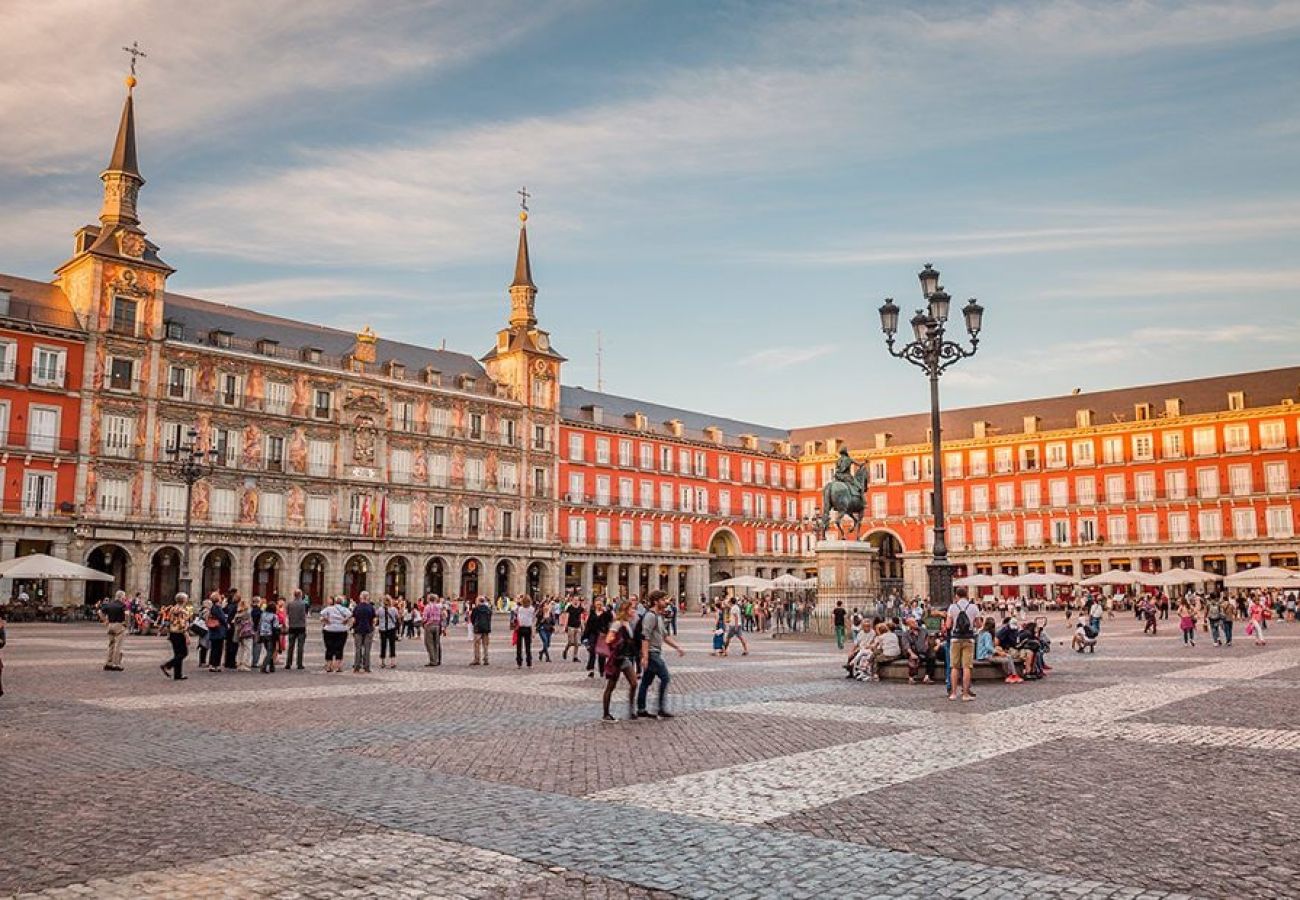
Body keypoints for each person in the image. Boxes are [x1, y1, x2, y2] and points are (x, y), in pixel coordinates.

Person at [636, 591, 685, 719]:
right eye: (663, 600)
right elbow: (644, 637)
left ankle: (641, 708)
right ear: (656, 601)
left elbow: (664, 635)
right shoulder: (650, 616)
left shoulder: (658, 616)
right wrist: (645, 656)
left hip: (655, 651)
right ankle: (660, 708)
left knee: (646, 681)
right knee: (665, 677)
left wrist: (677, 647)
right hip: (652, 653)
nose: (666, 602)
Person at [601, 600, 639, 722]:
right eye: (631, 609)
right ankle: (606, 714)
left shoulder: (629, 623)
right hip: (617, 658)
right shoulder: (617, 623)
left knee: (634, 683)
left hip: (625, 658)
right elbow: (608, 639)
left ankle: (631, 709)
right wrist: (617, 641)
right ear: (626, 610)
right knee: (611, 686)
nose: (633, 611)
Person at [946, 587, 980, 702]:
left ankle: (953, 693)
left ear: (956, 595)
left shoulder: (952, 607)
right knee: (967, 667)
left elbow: (948, 625)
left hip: (955, 639)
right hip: (969, 639)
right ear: (967, 595)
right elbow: (979, 624)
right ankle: (965, 694)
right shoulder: (973, 607)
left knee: (954, 666)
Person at [977, 618, 1022, 683]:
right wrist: (998, 652)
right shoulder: (987, 634)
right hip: (986, 656)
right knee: (1007, 658)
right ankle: (1012, 675)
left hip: (983, 655)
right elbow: (988, 647)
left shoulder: (982, 633)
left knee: (1007, 657)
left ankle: (1012, 674)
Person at [99, 589, 129, 672]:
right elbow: (127, 614)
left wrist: (104, 620)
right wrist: (125, 623)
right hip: (119, 625)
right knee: (118, 645)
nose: (124, 598)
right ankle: (116, 664)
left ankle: (108, 663)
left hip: (110, 625)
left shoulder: (109, 604)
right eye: (124, 596)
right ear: (121, 597)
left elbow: (100, 612)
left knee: (111, 644)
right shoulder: (123, 605)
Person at [900, 617, 935, 685]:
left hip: (924, 650)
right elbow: (906, 646)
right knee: (913, 658)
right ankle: (911, 678)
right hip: (913, 650)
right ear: (908, 625)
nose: (915, 623)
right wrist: (912, 653)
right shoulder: (906, 634)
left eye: (915, 621)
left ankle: (927, 677)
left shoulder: (923, 630)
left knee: (932, 656)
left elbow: (927, 638)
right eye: (913, 622)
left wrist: (928, 642)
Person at [320, 596, 351, 673]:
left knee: (329, 648)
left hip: (329, 630)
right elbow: (350, 615)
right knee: (339, 648)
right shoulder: (345, 609)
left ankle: (328, 666)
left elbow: (322, 615)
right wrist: (345, 620)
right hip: (341, 630)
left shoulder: (329, 608)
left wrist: (326, 620)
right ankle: (338, 667)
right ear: (342, 602)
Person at [582, 598, 611, 678]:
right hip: (593, 635)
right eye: (597, 604)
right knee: (592, 653)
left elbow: (610, 619)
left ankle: (602, 670)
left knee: (602, 654)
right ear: (594, 604)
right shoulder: (592, 613)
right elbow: (588, 625)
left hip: (602, 635)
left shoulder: (605, 613)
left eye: (600, 604)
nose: (599, 606)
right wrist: (585, 636)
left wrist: (606, 611)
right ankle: (591, 670)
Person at [351, 591, 376, 673]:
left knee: (358, 649)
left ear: (360, 597)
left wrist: (353, 627)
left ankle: (357, 666)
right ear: (368, 597)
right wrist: (372, 628)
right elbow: (374, 620)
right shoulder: (371, 607)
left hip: (358, 630)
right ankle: (367, 667)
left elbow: (353, 620)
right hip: (368, 630)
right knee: (367, 649)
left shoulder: (357, 607)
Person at [204, 595, 229, 673]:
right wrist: (226, 625)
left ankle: (212, 664)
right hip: (218, 630)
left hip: (213, 630)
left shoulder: (212, 607)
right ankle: (216, 665)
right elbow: (222, 618)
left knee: (214, 648)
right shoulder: (218, 608)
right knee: (218, 648)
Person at [284, 590, 308, 670]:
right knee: (300, 646)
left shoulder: (290, 604)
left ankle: (288, 663)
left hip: (292, 627)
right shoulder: (303, 604)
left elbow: (287, 614)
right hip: (301, 627)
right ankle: (299, 664)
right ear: (300, 595)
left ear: (294, 595)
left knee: (290, 646)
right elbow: (304, 616)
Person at [377, 595, 400, 669]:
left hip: (382, 629)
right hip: (391, 629)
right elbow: (398, 617)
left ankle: (382, 662)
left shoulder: (380, 609)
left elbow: (377, 616)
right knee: (392, 645)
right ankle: (392, 662)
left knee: (383, 645)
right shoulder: (394, 609)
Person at [422, 595, 446, 666]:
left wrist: (424, 623)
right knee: (437, 643)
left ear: (429, 599)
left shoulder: (427, 607)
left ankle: (433, 661)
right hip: (437, 625)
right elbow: (443, 615)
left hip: (429, 625)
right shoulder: (439, 607)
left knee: (429, 643)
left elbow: (424, 617)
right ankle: (438, 659)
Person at [513, 596, 536, 668]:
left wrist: (517, 600)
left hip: (520, 628)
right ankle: (529, 663)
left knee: (519, 647)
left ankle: (519, 663)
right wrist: (533, 632)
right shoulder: (532, 609)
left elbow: (515, 613)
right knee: (528, 647)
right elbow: (533, 620)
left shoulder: (519, 609)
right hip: (528, 628)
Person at [470, 595, 493, 665]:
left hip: (478, 629)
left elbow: (472, 619)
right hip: (486, 629)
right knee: (485, 645)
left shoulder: (475, 609)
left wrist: (475, 624)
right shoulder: (488, 609)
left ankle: (477, 659)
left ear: (478, 601)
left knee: (477, 645)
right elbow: (489, 618)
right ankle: (486, 659)